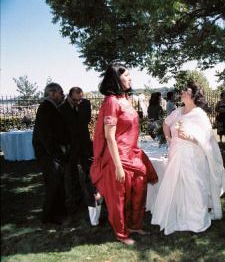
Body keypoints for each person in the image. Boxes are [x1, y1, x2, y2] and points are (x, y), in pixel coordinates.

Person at [151, 81, 225, 235]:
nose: (182, 93)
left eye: (186, 91)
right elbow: (166, 123)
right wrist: (169, 138)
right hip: (176, 154)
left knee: (194, 186)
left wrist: (190, 137)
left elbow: (207, 138)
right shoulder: (178, 111)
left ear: (193, 96)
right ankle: (179, 215)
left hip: (194, 156)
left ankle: (196, 220)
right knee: (176, 185)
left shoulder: (199, 114)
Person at [90, 63, 158, 245]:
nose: (130, 78)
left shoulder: (126, 99)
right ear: (115, 79)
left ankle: (134, 225)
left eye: (130, 75)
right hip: (118, 157)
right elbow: (109, 137)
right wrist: (118, 166)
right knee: (118, 199)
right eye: (126, 75)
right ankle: (121, 234)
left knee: (138, 192)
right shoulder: (111, 102)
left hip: (134, 155)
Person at [59, 87, 101, 225]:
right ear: (69, 96)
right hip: (70, 146)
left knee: (90, 172)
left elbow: (84, 121)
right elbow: (66, 127)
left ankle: (91, 199)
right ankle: (74, 202)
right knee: (71, 175)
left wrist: (80, 106)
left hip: (84, 145)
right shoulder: (62, 108)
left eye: (80, 99)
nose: (78, 102)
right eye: (75, 99)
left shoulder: (86, 104)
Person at [32, 83, 69, 224]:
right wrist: (57, 154)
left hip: (53, 154)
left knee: (58, 184)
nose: (62, 95)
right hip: (49, 155)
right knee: (53, 185)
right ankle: (49, 217)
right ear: (53, 93)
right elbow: (45, 135)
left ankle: (59, 211)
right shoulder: (45, 108)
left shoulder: (51, 107)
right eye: (61, 93)